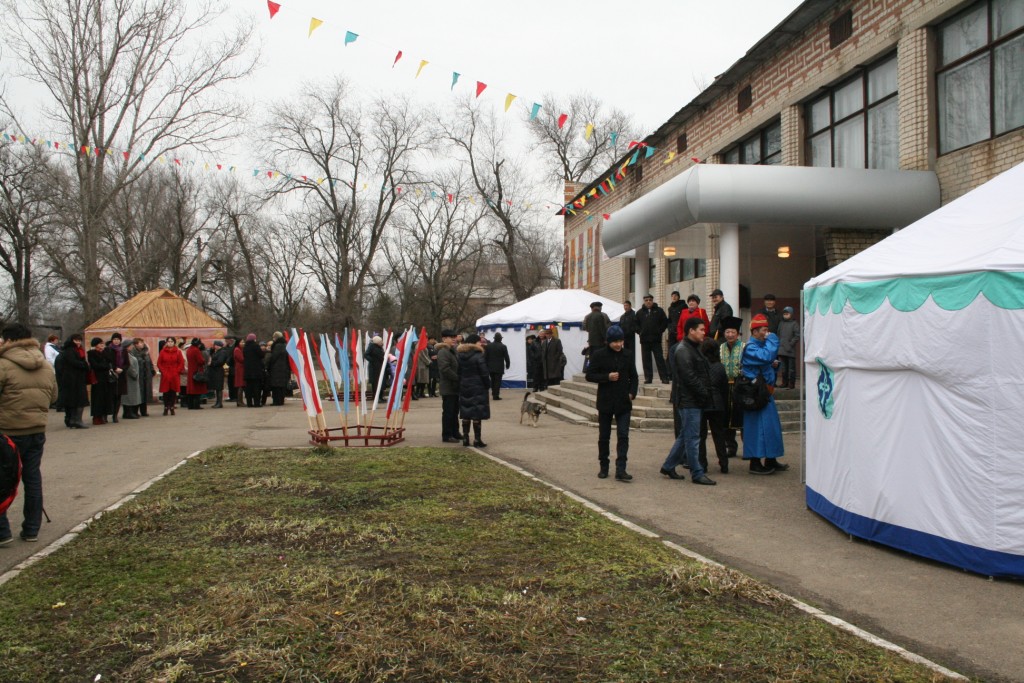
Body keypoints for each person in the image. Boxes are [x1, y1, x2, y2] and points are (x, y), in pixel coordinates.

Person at [0, 323, 58, 546]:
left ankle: (3, 531)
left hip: (8, 430)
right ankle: (32, 528)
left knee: (3, 479)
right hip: (36, 429)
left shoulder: (4, 364)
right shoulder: (44, 364)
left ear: (8, 340)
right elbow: (53, 397)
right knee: (32, 477)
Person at [660, 317, 717, 485]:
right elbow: (689, 378)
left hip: (693, 399)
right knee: (693, 438)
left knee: (686, 435)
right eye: (701, 329)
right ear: (691, 331)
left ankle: (669, 465)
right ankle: (697, 473)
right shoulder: (683, 350)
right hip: (689, 400)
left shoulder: (694, 348)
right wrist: (704, 393)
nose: (704, 332)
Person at [585, 324, 638, 481]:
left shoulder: (628, 355)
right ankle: (604, 465)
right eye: (614, 341)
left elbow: (634, 376)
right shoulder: (599, 355)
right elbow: (590, 375)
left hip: (623, 401)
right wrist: (606, 377)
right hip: (606, 401)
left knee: (623, 436)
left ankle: (621, 469)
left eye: (620, 341)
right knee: (604, 436)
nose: (618, 344)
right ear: (608, 341)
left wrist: (632, 393)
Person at [741, 314, 786, 474]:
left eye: (767, 330)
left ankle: (771, 459)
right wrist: (773, 338)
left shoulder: (760, 346)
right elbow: (766, 356)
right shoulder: (751, 348)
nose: (767, 332)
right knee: (756, 429)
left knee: (771, 428)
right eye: (764, 330)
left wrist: (774, 365)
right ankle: (755, 462)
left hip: (764, 393)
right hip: (755, 395)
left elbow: (767, 362)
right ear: (755, 331)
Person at [699, 339, 730, 475]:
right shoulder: (720, 367)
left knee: (701, 436)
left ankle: (702, 464)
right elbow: (725, 389)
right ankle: (724, 464)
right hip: (718, 404)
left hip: (702, 403)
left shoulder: (699, 365)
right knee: (719, 435)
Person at [457, 333, 490, 447]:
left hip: (464, 386)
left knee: (466, 412)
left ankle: (465, 438)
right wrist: (487, 385)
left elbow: (458, 372)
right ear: (474, 343)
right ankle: (477, 439)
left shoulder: (460, 355)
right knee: (477, 412)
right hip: (478, 386)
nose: (480, 343)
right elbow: (484, 372)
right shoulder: (478, 355)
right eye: (478, 341)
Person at [719, 316, 745, 459]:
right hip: (724, 387)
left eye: (733, 332)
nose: (730, 335)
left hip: (739, 386)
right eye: (727, 332)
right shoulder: (720, 348)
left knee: (742, 418)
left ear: (737, 333)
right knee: (726, 418)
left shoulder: (744, 347)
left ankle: (748, 448)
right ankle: (730, 447)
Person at [54, 334, 89, 429]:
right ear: (72, 340)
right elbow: (74, 362)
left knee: (75, 400)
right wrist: (83, 365)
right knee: (76, 400)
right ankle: (76, 420)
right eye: (76, 340)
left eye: (79, 340)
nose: (78, 342)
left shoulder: (78, 350)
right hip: (72, 379)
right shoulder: (69, 350)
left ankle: (73, 420)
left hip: (77, 378)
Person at [635, 294, 669, 384]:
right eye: (646, 300)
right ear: (644, 301)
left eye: (650, 300)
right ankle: (648, 378)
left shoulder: (659, 311)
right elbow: (635, 325)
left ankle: (664, 378)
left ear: (652, 301)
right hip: (645, 340)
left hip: (656, 339)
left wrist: (659, 331)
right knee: (646, 360)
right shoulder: (639, 313)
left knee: (659, 359)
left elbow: (665, 322)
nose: (648, 301)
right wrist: (640, 332)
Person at [436, 329, 461, 443]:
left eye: (454, 337)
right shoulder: (443, 352)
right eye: (451, 337)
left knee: (455, 411)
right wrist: (457, 377)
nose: (454, 339)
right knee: (448, 412)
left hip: (455, 387)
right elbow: (445, 369)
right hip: (448, 386)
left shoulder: (453, 350)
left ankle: (455, 432)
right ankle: (447, 434)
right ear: (444, 339)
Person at [87, 338, 113, 425]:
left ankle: (103, 415)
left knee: (105, 397)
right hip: (97, 378)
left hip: (105, 378)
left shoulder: (105, 352)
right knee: (97, 397)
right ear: (95, 344)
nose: (102, 345)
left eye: (103, 343)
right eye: (100, 343)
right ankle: (96, 416)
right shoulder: (91, 353)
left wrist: (105, 354)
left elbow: (110, 361)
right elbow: (95, 365)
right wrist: (105, 366)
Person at [157, 337, 184, 415]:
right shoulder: (162, 352)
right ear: (166, 343)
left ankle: (172, 406)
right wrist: (163, 371)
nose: (170, 343)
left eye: (172, 341)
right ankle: (166, 407)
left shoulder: (178, 352)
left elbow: (181, 363)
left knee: (173, 391)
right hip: (165, 373)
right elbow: (159, 363)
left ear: (174, 342)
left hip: (174, 373)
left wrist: (177, 371)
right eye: (168, 341)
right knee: (166, 391)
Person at [105, 333, 128, 423]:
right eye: (114, 339)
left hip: (121, 376)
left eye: (118, 339)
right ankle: (106, 414)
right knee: (110, 396)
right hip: (111, 375)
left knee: (118, 396)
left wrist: (122, 369)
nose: (116, 341)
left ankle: (115, 415)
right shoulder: (108, 349)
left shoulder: (123, 350)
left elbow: (127, 363)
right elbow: (107, 361)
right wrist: (114, 368)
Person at [777, 306, 800, 389]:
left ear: (791, 314)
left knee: (791, 368)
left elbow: (797, 335)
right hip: (782, 348)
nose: (785, 315)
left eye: (787, 314)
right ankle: (784, 382)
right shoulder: (781, 323)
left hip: (790, 350)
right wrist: (780, 343)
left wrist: (790, 344)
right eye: (784, 314)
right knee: (783, 367)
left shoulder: (794, 323)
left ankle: (791, 384)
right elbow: (778, 334)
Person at [483, 332, 510, 400]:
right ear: (500, 339)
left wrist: (485, 365)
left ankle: (493, 393)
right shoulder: (503, 346)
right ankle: (496, 395)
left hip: (490, 367)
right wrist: (507, 364)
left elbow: (485, 357)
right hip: (499, 367)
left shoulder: (489, 346)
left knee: (492, 380)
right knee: (498, 381)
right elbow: (506, 357)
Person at [266, 332, 290, 406]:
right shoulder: (284, 345)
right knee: (282, 386)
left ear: (275, 338)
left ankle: (277, 401)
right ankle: (281, 400)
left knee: (276, 387)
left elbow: (274, 357)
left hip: (276, 369)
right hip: (284, 368)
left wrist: (269, 365)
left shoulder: (277, 346)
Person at [132, 338, 154, 416]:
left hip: (146, 375)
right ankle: (135, 411)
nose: (142, 344)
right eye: (140, 343)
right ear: (136, 344)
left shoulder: (146, 351)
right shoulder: (133, 352)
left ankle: (144, 411)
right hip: (138, 375)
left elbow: (150, 361)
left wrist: (152, 370)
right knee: (138, 393)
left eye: (142, 342)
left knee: (145, 393)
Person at [185, 338, 208, 410]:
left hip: (190, 371)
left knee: (191, 390)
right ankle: (196, 405)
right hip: (197, 371)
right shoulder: (196, 350)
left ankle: (190, 405)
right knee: (197, 389)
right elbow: (201, 361)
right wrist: (204, 361)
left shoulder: (188, 350)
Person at [242, 333, 264, 407]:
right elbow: (261, 355)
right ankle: (257, 403)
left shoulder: (245, 347)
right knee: (256, 387)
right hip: (256, 370)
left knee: (248, 387)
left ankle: (249, 403)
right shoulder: (255, 346)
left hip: (247, 370)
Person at [120, 344, 141, 419]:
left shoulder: (130, 354)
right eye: (131, 345)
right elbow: (129, 366)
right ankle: (128, 413)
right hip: (129, 378)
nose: (132, 347)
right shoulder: (126, 355)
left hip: (133, 378)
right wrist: (135, 374)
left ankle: (132, 412)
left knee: (133, 396)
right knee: (129, 396)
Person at [208, 340, 231, 408]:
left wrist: (211, 363)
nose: (214, 346)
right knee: (217, 387)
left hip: (218, 371)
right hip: (215, 371)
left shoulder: (222, 352)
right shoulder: (217, 352)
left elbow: (220, 361)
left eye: (215, 345)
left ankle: (219, 403)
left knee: (219, 387)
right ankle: (217, 402)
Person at [365, 335, 385, 399]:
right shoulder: (371, 347)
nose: (382, 342)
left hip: (380, 367)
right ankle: (376, 397)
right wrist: (372, 360)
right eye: (381, 341)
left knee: (381, 382)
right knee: (375, 383)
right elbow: (366, 355)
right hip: (374, 368)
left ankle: (380, 396)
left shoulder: (380, 348)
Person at [232, 338, 246, 407]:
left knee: (241, 385)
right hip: (240, 368)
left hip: (240, 368)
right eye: (242, 342)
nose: (243, 343)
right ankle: (239, 401)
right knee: (240, 385)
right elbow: (241, 359)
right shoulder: (237, 350)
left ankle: (240, 401)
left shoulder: (240, 349)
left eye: (244, 342)